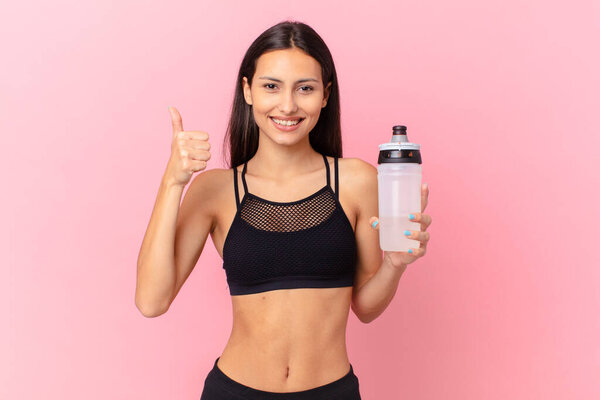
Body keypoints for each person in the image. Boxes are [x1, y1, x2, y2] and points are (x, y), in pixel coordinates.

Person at [135, 20, 432, 400]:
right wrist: (172, 181)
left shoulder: (357, 181)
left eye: (304, 88)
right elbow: (151, 301)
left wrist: (394, 263)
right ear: (248, 91)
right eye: (271, 86)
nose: (288, 105)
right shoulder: (215, 190)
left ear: (325, 95)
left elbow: (366, 307)